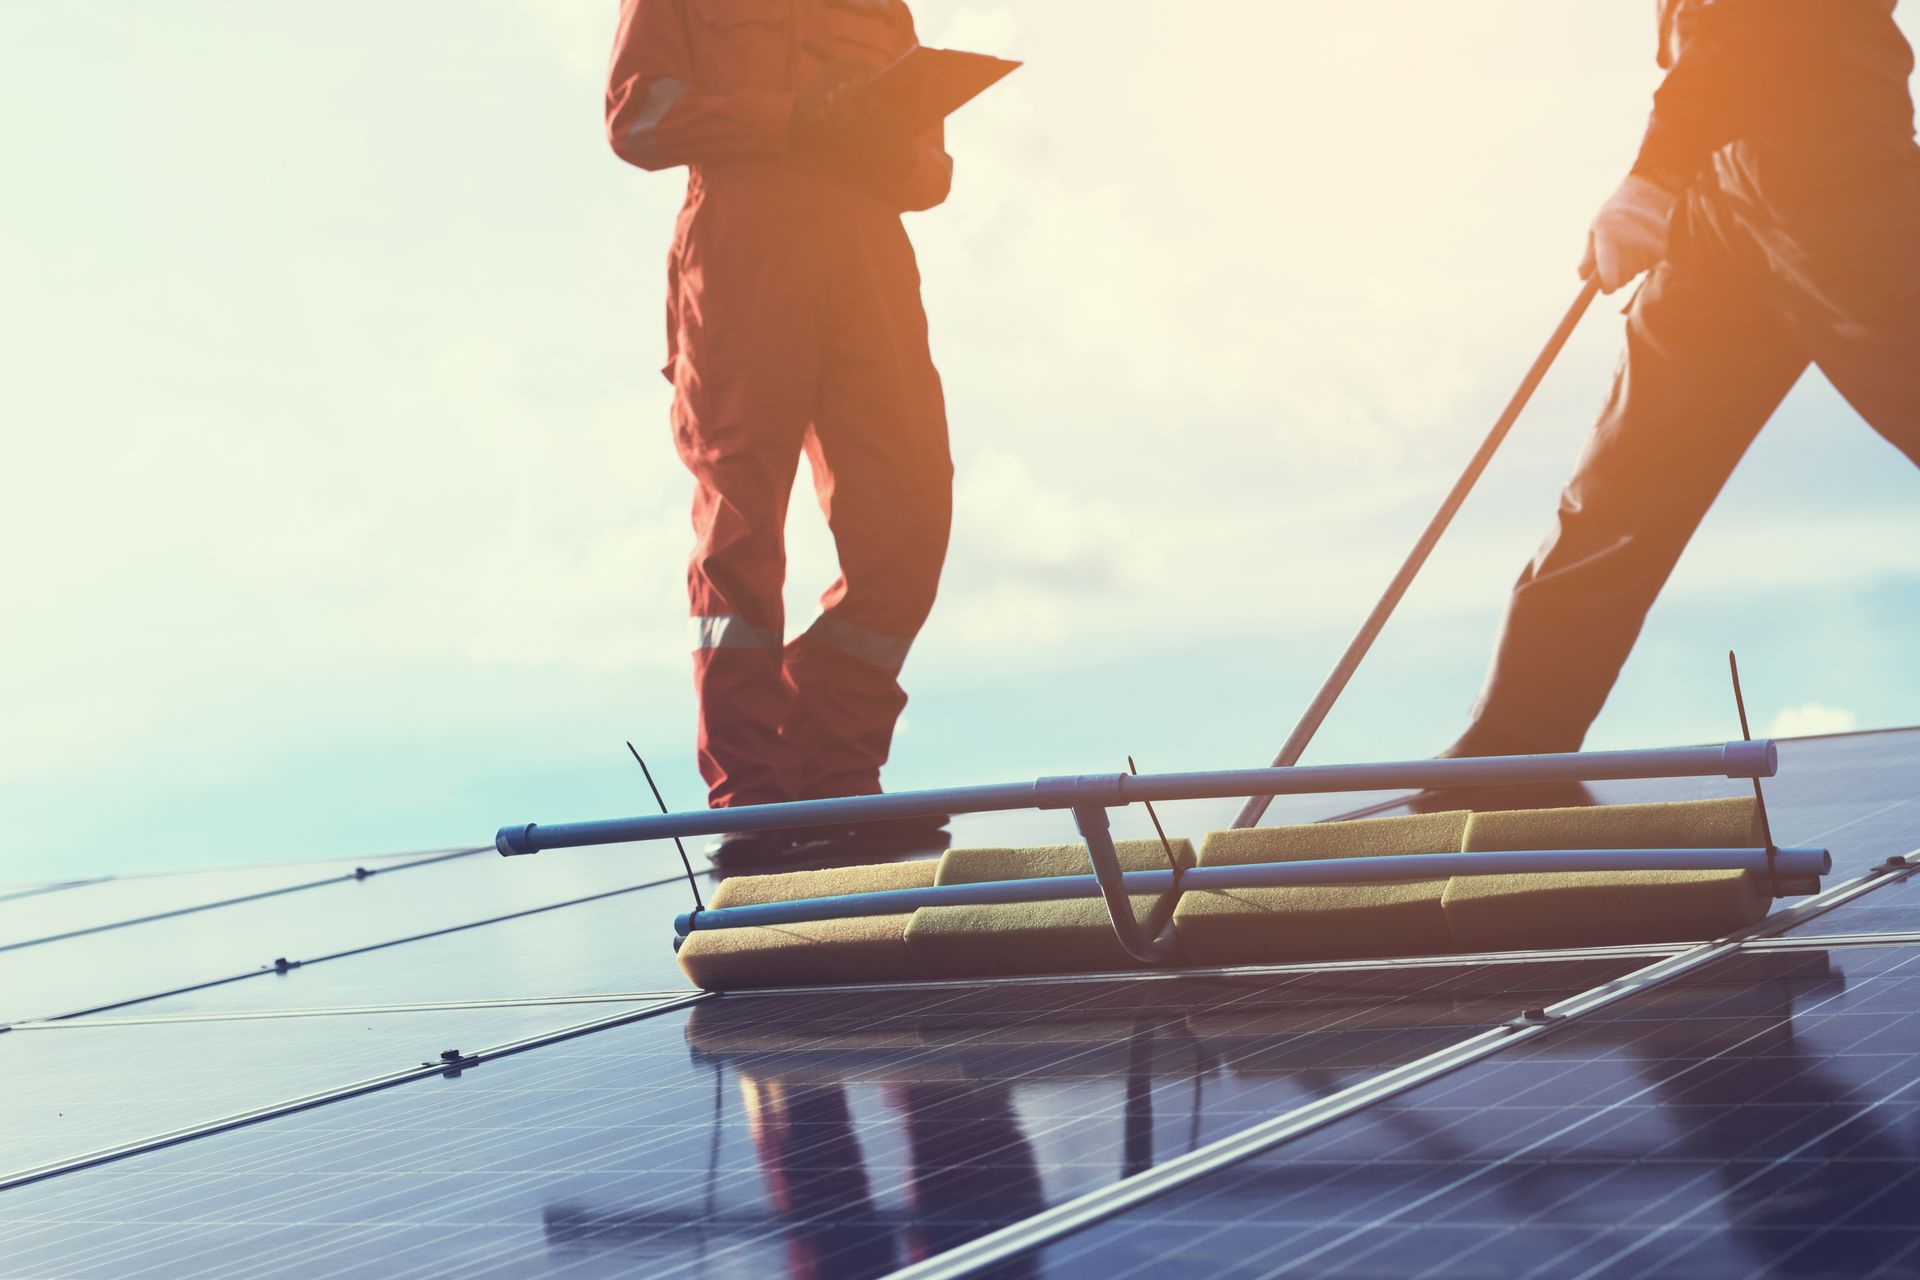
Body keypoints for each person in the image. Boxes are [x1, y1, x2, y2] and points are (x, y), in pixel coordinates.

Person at [1448, 0, 1920, 759]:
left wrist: (1656, 169)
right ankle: (1506, 757)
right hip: (1716, 191)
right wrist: (1672, 166)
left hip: (1829, 169)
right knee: (1619, 492)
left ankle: (1508, 749)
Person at [605, 0, 956, 866]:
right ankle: (755, 787)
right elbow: (635, 116)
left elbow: (932, 173)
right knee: (741, 525)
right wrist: (792, 118)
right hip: (740, 252)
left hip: (868, 259)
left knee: (911, 517)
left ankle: (836, 767)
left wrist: (877, 138)